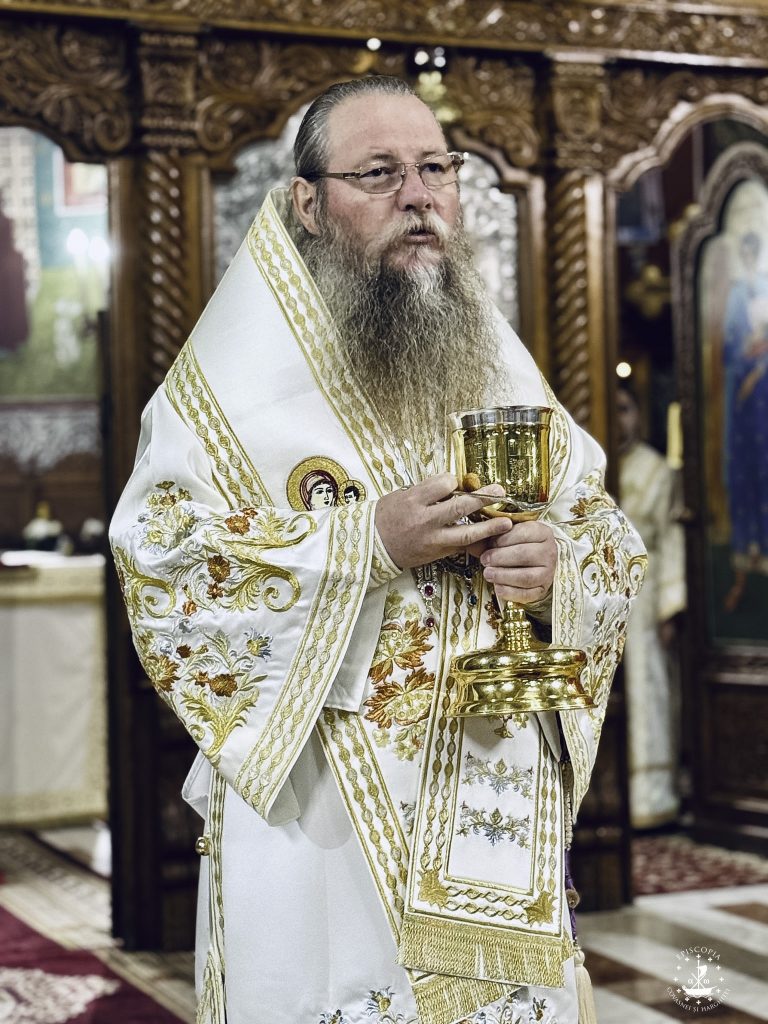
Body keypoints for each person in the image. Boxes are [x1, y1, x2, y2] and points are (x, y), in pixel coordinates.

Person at [110, 77, 645, 1024]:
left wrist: (556, 568)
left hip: (493, 794)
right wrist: (366, 540)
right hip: (322, 812)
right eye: (380, 173)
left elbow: (603, 531)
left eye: (436, 168)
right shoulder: (228, 389)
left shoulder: (492, 352)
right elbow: (165, 567)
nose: (419, 197)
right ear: (308, 203)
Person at [617, 384, 686, 828]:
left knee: (650, 690)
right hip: (603, 600)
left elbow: (672, 538)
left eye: (625, 409)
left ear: (639, 414)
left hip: (645, 601)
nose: (619, 419)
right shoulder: (593, 467)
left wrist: (670, 606)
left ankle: (652, 798)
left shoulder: (656, 469)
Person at [721, 231, 768, 612]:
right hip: (743, 396)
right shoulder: (738, 293)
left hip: (765, 391)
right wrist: (746, 357)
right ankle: (744, 561)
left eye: (754, 251)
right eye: (745, 251)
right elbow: (729, 346)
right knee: (745, 471)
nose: (750, 256)